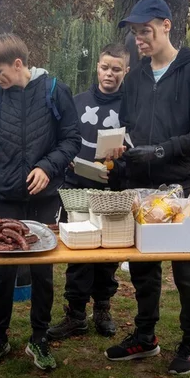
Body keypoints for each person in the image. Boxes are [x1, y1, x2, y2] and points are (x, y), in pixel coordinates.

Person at [106, 0, 190, 375]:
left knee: (187, 268)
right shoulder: (136, 77)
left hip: (180, 184)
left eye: (146, 31)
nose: (139, 39)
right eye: (135, 33)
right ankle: (145, 336)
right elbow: (128, 125)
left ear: (167, 25)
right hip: (141, 184)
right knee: (143, 266)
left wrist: (161, 150)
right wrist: (121, 151)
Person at [0, 33, 81, 371]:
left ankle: (39, 338)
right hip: (6, 196)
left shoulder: (54, 90)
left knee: (42, 269)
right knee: (3, 270)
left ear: (18, 64)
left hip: (45, 197)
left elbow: (72, 139)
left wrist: (47, 166)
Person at [48, 43, 129, 341]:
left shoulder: (132, 105)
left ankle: (103, 309)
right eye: (105, 67)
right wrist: (65, 157)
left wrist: (121, 161)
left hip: (113, 188)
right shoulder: (77, 101)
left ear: (126, 71)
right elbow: (61, 138)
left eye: (116, 69)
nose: (109, 74)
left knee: (108, 253)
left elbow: (137, 146)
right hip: (77, 187)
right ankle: (76, 314)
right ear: (97, 67)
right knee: (80, 252)